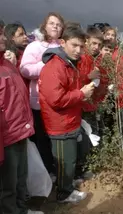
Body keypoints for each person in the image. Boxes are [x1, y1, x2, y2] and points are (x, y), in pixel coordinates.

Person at [39, 25, 94, 203]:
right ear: (63, 42)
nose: (78, 50)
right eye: (74, 45)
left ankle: (68, 187)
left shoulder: (68, 64)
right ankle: (64, 194)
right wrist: (82, 94)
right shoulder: (55, 67)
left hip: (70, 120)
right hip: (60, 124)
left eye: (81, 46)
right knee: (64, 162)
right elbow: (56, 99)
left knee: (69, 159)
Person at [0, 19, 39, 214]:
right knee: (9, 184)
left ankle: (22, 209)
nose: (2, 37)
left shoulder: (8, 63)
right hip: (6, 138)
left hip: (20, 131)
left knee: (21, 176)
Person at [20, 12, 65, 179]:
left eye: (58, 24)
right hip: (39, 102)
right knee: (42, 139)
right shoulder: (35, 46)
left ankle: (58, 169)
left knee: (55, 137)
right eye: (52, 23)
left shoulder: (62, 47)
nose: (55, 26)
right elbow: (25, 69)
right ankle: (47, 171)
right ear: (45, 26)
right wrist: (46, 66)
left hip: (58, 101)